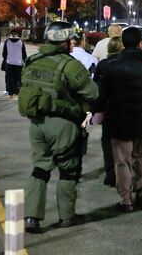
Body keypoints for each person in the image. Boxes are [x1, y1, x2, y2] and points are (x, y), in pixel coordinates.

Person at [18, 21, 98, 234]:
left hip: (36, 123)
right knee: (68, 169)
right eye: (71, 38)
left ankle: (31, 218)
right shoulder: (69, 64)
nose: (73, 41)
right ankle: (66, 217)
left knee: (40, 168)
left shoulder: (33, 60)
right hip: (62, 123)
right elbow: (92, 93)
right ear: (62, 41)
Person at [98, 27, 142, 212]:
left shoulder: (112, 67)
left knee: (122, 160)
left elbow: (103, 95)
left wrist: (98, 112)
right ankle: (141, 188)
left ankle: (125, 199)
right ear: (139, 43)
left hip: (120, 121)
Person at [93, 36, 123, 187]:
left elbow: (97, 86)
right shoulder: (126, 63)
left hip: (108, 108)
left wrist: (96, 108)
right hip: (125, 107)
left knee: (107, 141)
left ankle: (110, 171)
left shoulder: (103, 64)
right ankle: (123, 172)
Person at [1, 30, 27, 98]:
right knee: (18, 78)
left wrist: (6, 58)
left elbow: (4, 54)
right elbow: (24, 54)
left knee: (9, 78)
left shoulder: (7, 41)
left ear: (10, 34)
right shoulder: (21, 42)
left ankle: (10, 92)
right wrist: (24, 61)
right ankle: (17, 91)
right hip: (19, 63)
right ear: (17, 34)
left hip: (9, 63)